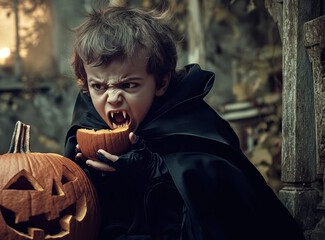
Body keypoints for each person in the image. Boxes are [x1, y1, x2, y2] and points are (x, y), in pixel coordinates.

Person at [64, 4, 306, 240]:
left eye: (128, 85)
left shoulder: (190, 120)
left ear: (160, 83)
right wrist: (87, 177)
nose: (113, 98)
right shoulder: (87, 123)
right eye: (99, 86)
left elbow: (227, 204)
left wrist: (155, 171)